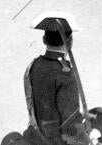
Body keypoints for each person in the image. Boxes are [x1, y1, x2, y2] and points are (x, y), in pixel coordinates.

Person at [23, 13, 85, 145]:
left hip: (35, 134)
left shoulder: (34, 65)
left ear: (44, 40)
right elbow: (70, 123)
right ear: (69, 41)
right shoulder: (66, 74)